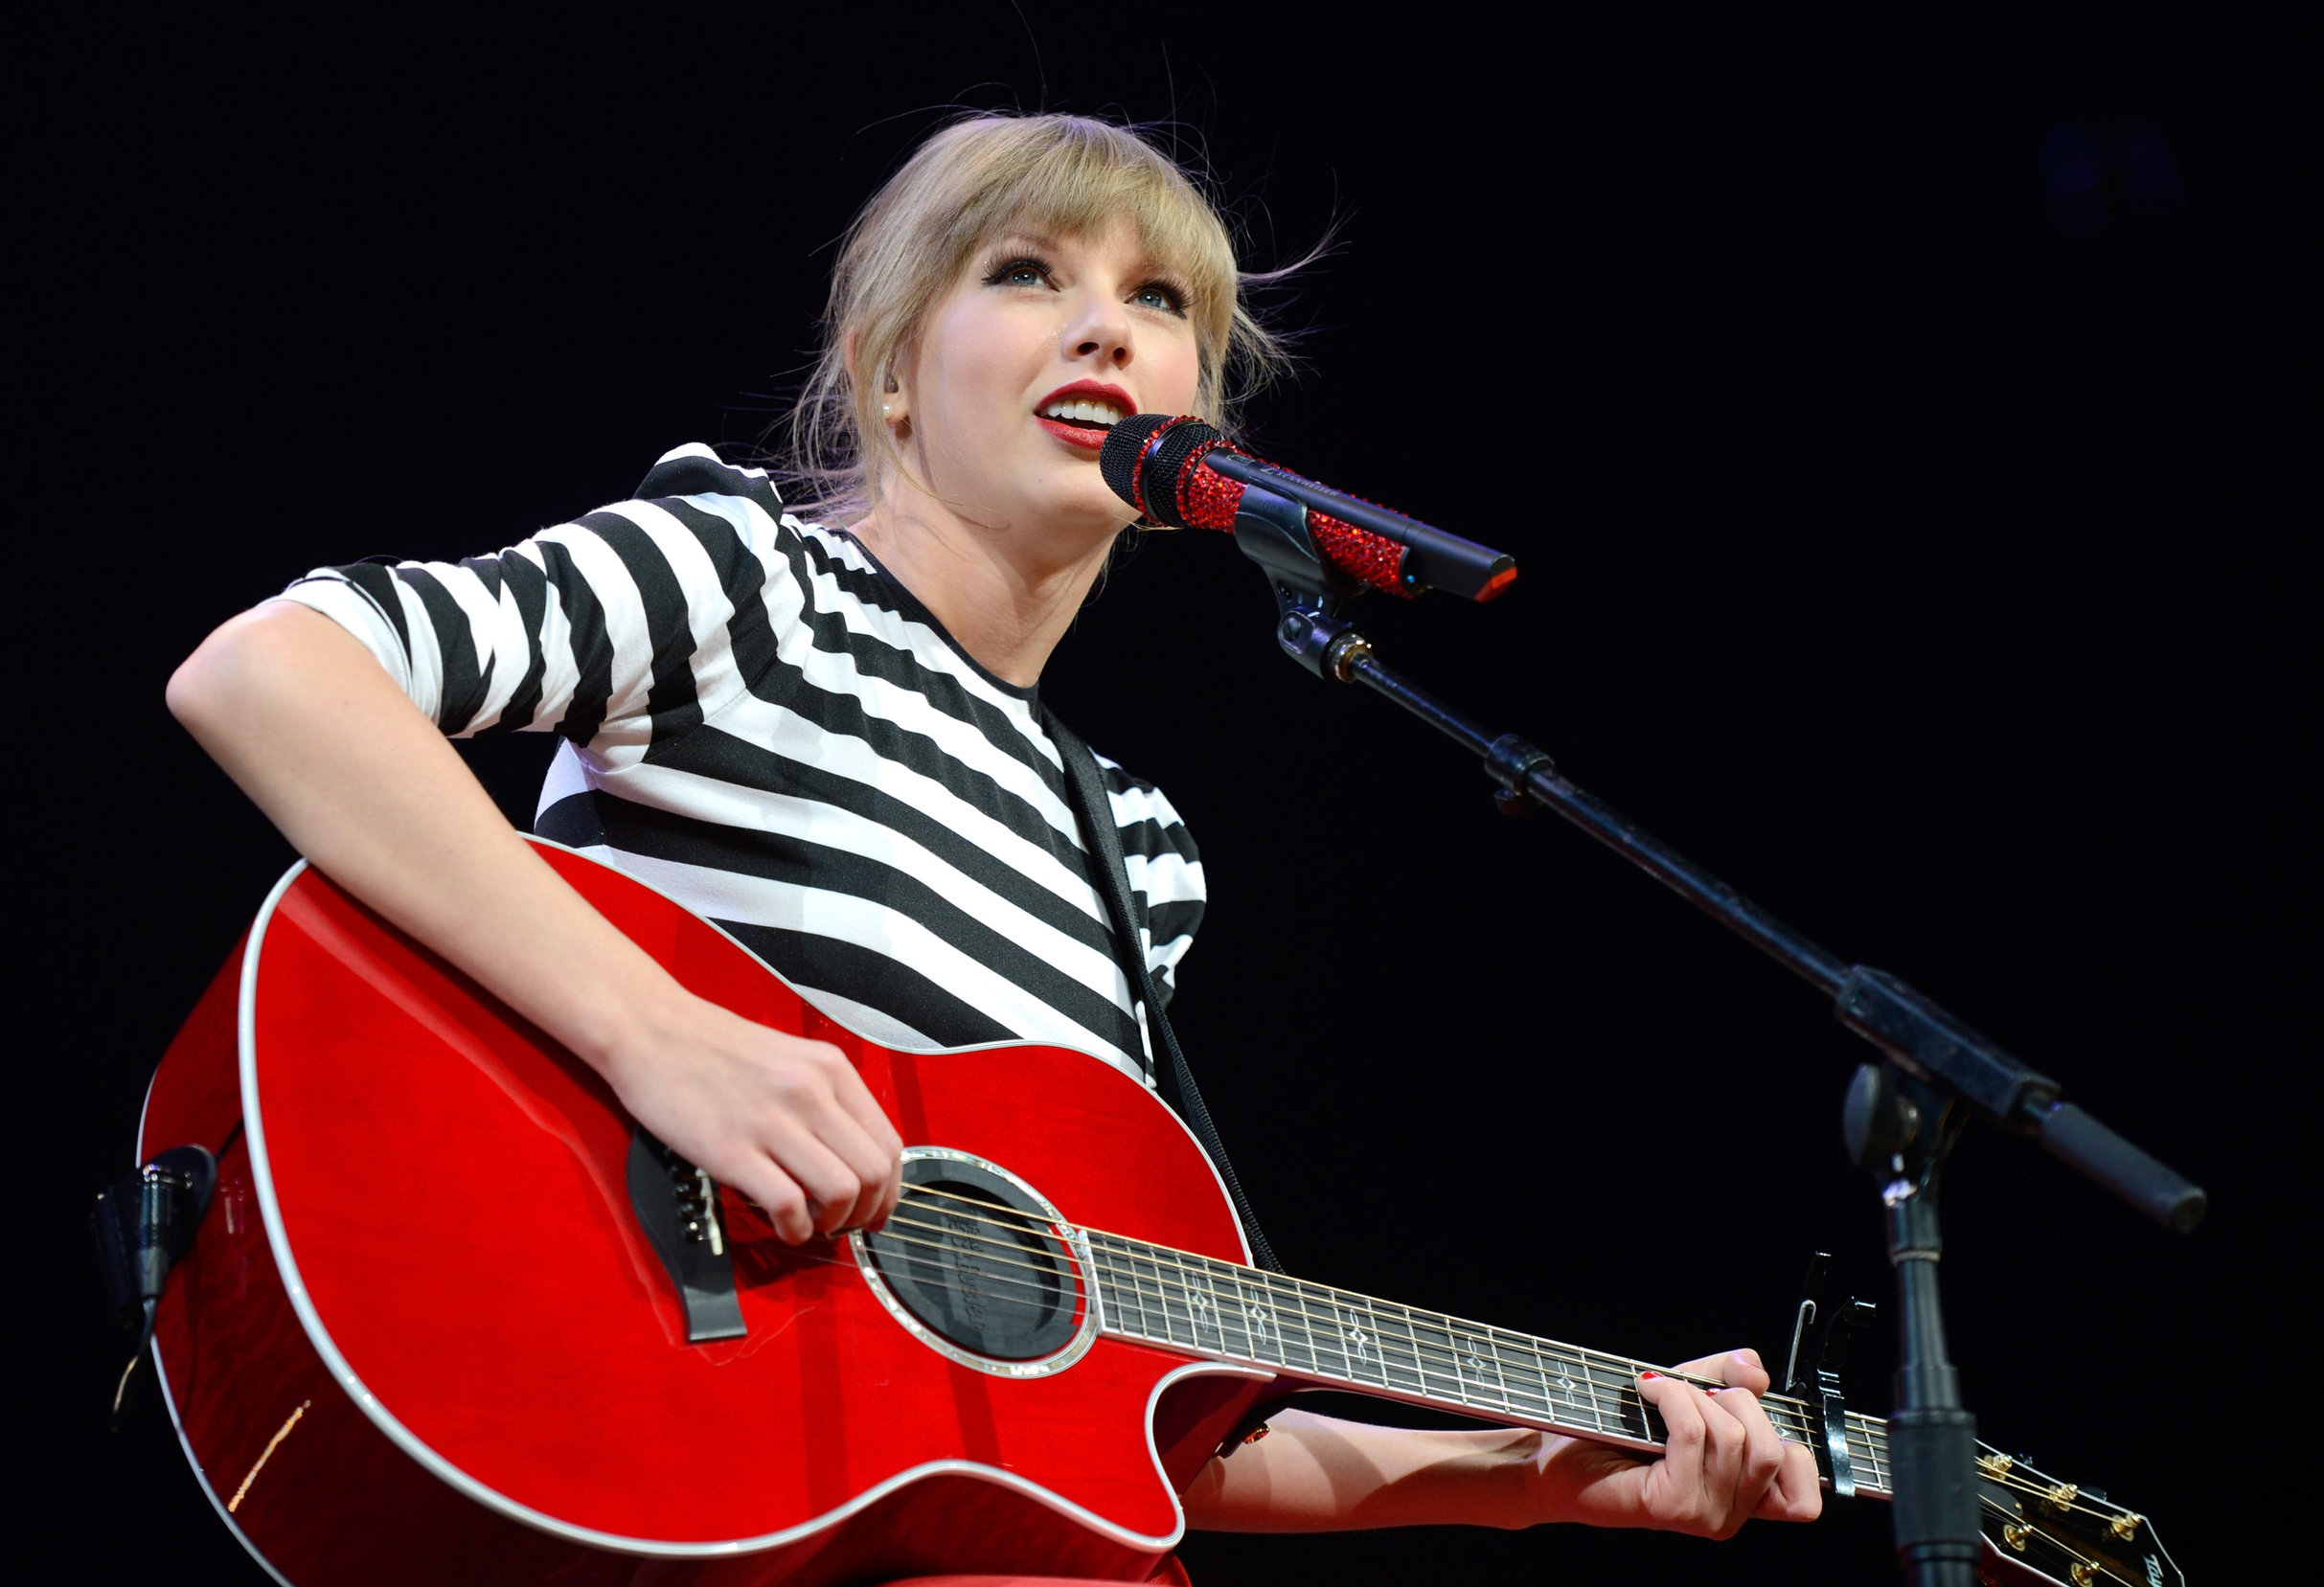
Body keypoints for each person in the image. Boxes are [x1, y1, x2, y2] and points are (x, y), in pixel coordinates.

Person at [168, 112, 1821, 1571]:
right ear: (889, 368)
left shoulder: (1138, 853)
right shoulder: (745, 572)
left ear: (1202, 426)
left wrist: (1537, 1479)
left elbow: (1121, 1433)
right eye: (1028, 272)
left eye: (1159, 302)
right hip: (601, 1404)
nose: (1106, 322)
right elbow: (269, 669)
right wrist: (665, 1039)